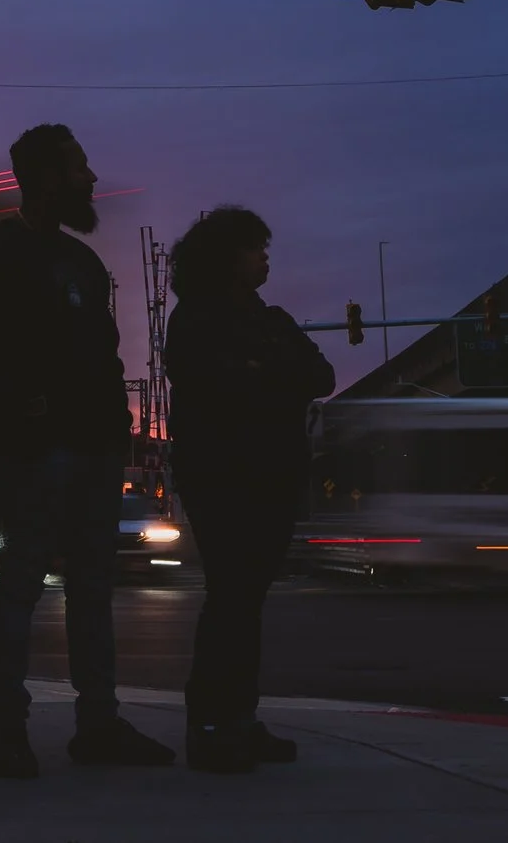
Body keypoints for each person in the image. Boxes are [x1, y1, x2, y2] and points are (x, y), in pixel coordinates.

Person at [0, 124, 176, 778]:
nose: (92, 178)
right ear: (47, 178)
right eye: (80, 167)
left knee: (93, 588)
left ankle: (97, 725)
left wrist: (115, 427)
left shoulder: (82, 261)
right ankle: (7, 732)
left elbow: (105, 354)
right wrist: (22, 426)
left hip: (94, 451)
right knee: (22, 582)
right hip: (35, 455)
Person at [163, 206, 335, 773]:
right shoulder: (195, 320)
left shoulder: (271, 319)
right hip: (221, 477)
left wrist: (261, 368)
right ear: (225, 257)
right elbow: (217, 384)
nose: (264, 257)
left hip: (274, 475)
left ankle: (239, 719)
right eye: (254, 247)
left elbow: (321, 375)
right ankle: (211, 725)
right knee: (231, 596)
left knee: (246, 600)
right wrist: (266, 372)